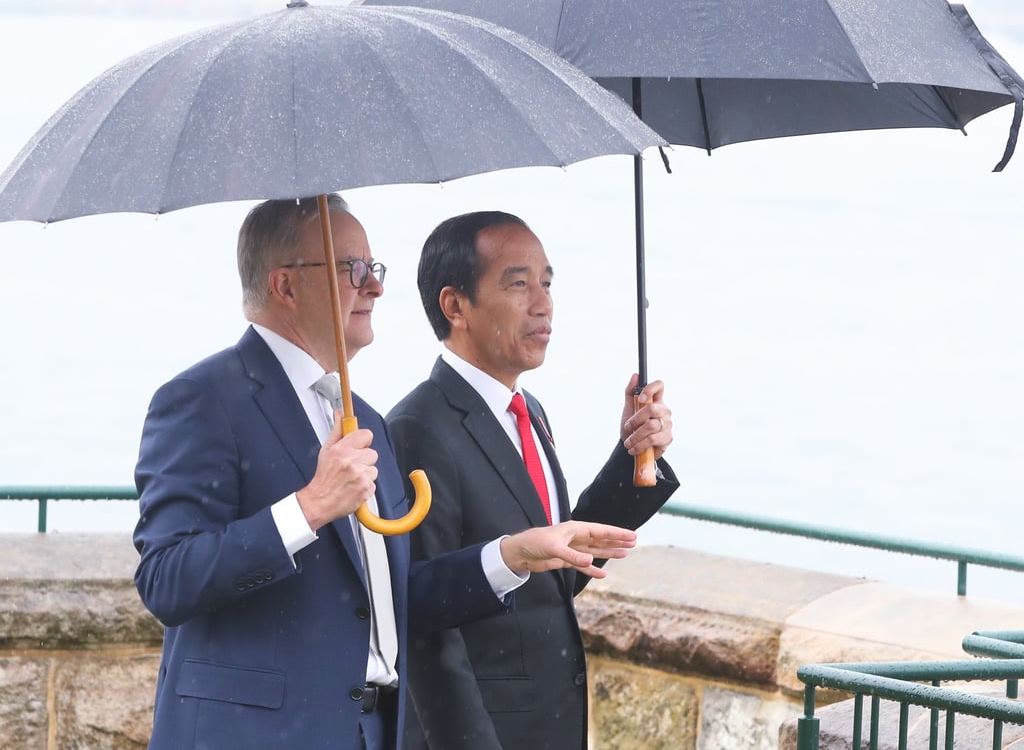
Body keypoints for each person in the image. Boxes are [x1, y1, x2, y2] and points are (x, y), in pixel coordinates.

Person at [132, 195, 640, 750]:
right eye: (353, 270)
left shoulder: (364, 417)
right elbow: (166, 580)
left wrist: (511, 554)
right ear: (285, 286)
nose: (373, 287)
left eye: (374, 270)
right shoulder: (203, 399)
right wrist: (309, 507)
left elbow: (395, 601)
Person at [386, 210, 680, 750]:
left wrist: (635, 458)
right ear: (455, 306)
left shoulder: (528, 410)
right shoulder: (417, 428)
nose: (542, 303)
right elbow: (423, 621)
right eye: (518, 284)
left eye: (546, 282)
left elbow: (556, 567)